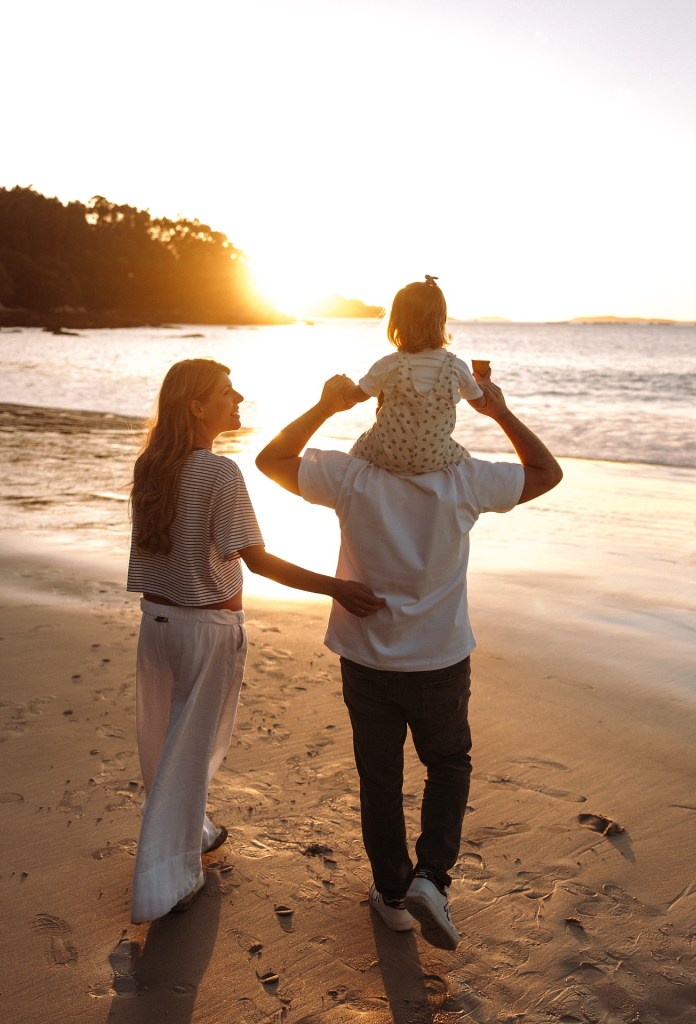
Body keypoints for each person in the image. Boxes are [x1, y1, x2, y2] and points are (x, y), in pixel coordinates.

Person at [255, 370, 562, 950]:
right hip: (439, 658)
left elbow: (271, 459)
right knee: (448, 765)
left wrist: (325, 406)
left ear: (382, 401)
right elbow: (547, 473)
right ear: (448, 405)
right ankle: (431, 878)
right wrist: (497, 412)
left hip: (365, 656)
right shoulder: (465, 479)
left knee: (380, 777)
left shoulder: (350, 475)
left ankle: (393, 896)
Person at [127, 358, 384, 924]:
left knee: (165, 744)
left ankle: (198, 830)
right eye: (225, 392)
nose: (237, 397)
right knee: (191, 753)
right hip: (204, 630)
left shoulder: (151, 465)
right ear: (197, 406)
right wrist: (336, 586)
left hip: (156, 626)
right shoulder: (219, 474)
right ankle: (168, 880)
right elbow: (257, 560)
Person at [342, 276, 488, 475]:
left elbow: (359, 395)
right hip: (435, 459)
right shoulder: (457, 367)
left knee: (358, 451)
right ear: (442, 321)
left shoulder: (389, 364)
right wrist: (482, 383)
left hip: (385, 454)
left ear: (397, 323)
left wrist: (345, 389)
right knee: (465, 459)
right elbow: (480, 403)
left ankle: (355, 484)